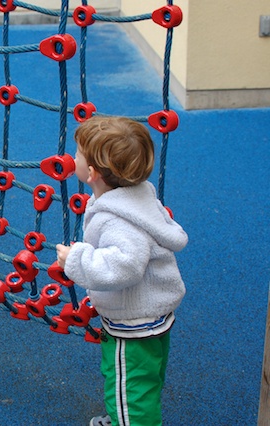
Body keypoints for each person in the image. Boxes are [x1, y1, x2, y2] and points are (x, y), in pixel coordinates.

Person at [55, 116, 188, 426]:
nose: (73, 157)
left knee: (130, 389)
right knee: (142, 381)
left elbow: (125, 265)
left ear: (91, 173)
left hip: (133, 323)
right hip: (152, 312)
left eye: (77, 154)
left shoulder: (118, 220)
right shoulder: (137, 196)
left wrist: (76, 260)